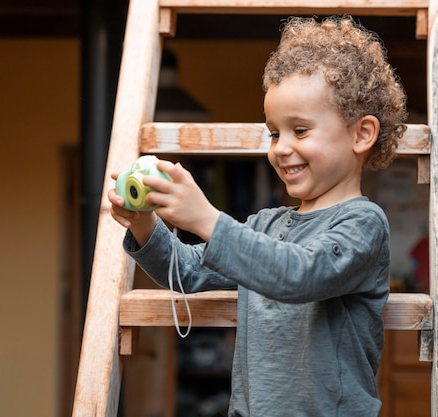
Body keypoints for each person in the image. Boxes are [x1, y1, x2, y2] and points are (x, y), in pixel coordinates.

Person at [109, 15, 408, 417]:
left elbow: (301, 274)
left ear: (362, 134)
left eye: (299, 131)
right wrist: (144, 223)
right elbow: (189, 271)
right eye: (273, 133)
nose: (281, 148)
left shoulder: (363, 224)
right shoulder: (267, 225)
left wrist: (206, 219)